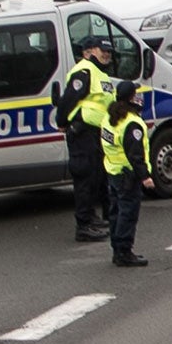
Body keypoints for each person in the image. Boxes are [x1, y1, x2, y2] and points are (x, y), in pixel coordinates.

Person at [58, 34, 115, 242]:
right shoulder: (84, 71)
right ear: (89, 52)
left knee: (96, 178)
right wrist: (62, 121)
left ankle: (91, 218)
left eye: (109, 51)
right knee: (84, 178)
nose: (107, 54)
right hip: (82, 133)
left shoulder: (100, 74)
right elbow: (68, 100)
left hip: (95, 133)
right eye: (103, 51)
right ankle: (83, 226)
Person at [100, 79, 153, 268]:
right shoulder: (132, 123)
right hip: (127, 176)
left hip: (113, 171)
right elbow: (135, 154)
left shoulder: (110, 117)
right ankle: (124, 251)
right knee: (127, 213)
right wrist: (145, 176)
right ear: (131, 98)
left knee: (115, 213)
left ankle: (117, 249)